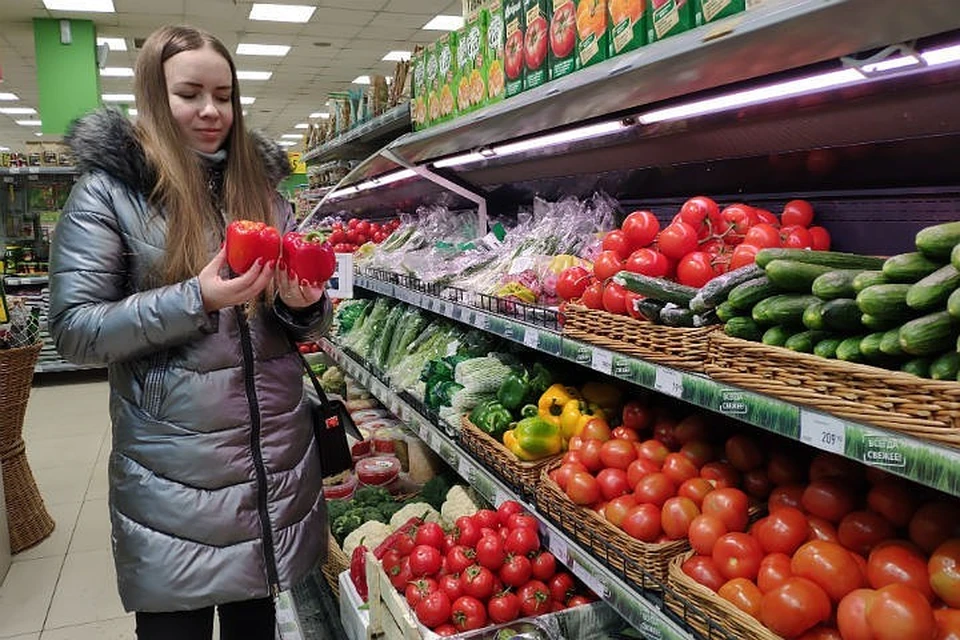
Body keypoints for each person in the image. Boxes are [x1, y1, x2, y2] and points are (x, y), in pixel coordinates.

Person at [48, 25, 331, 640]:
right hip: (175, 474)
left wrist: (302, 306)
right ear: (155, 95)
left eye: (224, 96)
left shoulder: (261, 189)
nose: (210, 111)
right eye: (190, 93)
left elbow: (286, 326)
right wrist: (194, 298)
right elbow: (73, 330)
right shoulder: (110, 194)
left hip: (269, 466)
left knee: (259, 625)